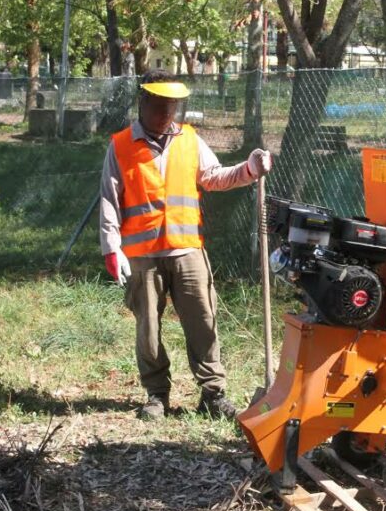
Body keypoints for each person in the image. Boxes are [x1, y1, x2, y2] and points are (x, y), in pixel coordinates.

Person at [100, 70, 272, 421]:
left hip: (187, 250)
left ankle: (212, 393)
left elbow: (214, 177)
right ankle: (156, 396)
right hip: (142, 256)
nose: (167, 115)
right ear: (143, 102)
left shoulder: (190, 140)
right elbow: (109, 201)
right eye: (160, 107)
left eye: (173, 108)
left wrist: (249, 169)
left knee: (203, 322)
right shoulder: (120, 145)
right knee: (147, 327)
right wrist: (111, 247)